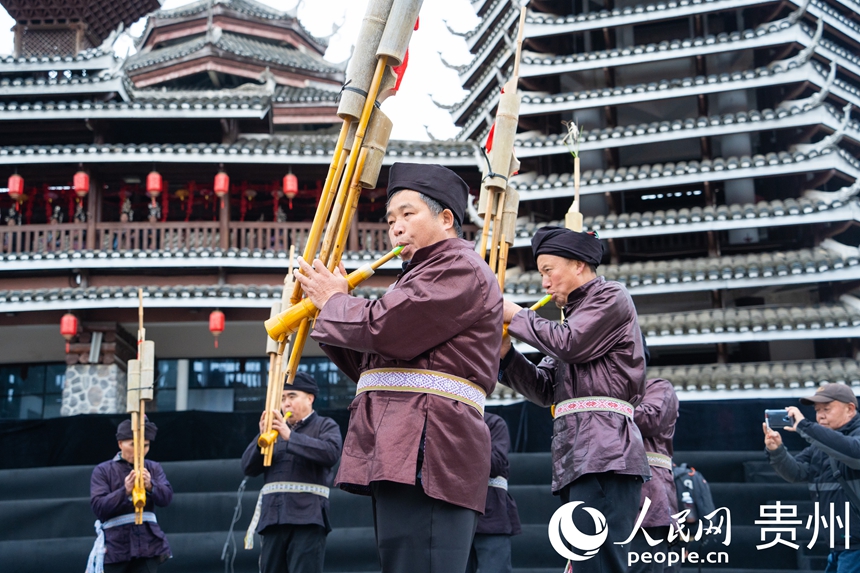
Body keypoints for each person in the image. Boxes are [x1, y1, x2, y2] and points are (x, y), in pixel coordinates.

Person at [295, 162, 503, 573]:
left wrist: (337, 303)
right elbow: (372, 363)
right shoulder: (410, 279)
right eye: (391, 218)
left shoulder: (459, 267)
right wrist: (323, 315)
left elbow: (385, 327)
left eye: (409, 214)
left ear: (446, 219)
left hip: (432, 444)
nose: (396, 227)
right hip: (400, 442)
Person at [498, 226, 649, 572]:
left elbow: (571, 343)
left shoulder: (611, 296)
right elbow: (545, 389)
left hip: (605, 452)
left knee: (601, 562)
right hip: (578, 455)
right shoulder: (572, 320)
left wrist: (516, 315)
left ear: (579, 265)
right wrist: (505, 354)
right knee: (587, 561)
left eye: (549, 271)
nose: (545, 284)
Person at [241, 371, 342, 573]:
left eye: (292, 396)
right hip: (273, 517)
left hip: (308, 517)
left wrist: (289, 437)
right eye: (282, 398)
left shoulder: (325, 425)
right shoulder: (273, 431)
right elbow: (248, 468)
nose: (286, 403)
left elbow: (330, 453)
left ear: (310, 398)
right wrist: (262, 437)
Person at [764, 383, 860, 572]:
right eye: (817, 410)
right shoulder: (820, 445)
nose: (820, 416)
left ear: (850, 409)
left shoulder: (849, 438)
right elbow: (796, 472)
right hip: (840, 545)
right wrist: (776, 450)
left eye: (826, 409)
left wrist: (805, 427)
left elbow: (853, 452)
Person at [87, 418, 173, 573]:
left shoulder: (153, 468)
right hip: (115, 546)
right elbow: (99, 507)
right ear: (120, 444)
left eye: (145, 445)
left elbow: (166, 498)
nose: (140, 450)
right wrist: (124, 491)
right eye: (133, 444)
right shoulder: (103, 470)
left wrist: (151, 486)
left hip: (147, 543)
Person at [630, 378, 679, 572]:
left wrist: (601, 402)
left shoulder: (656, 386)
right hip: (601, 502)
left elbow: (650, 419)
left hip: (646, 500)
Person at [467, 412, 522, 573]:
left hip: (491, 511)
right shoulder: (443, 421)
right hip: (452, 513)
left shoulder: (493, 423)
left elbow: (496, 463)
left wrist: (460, 444)